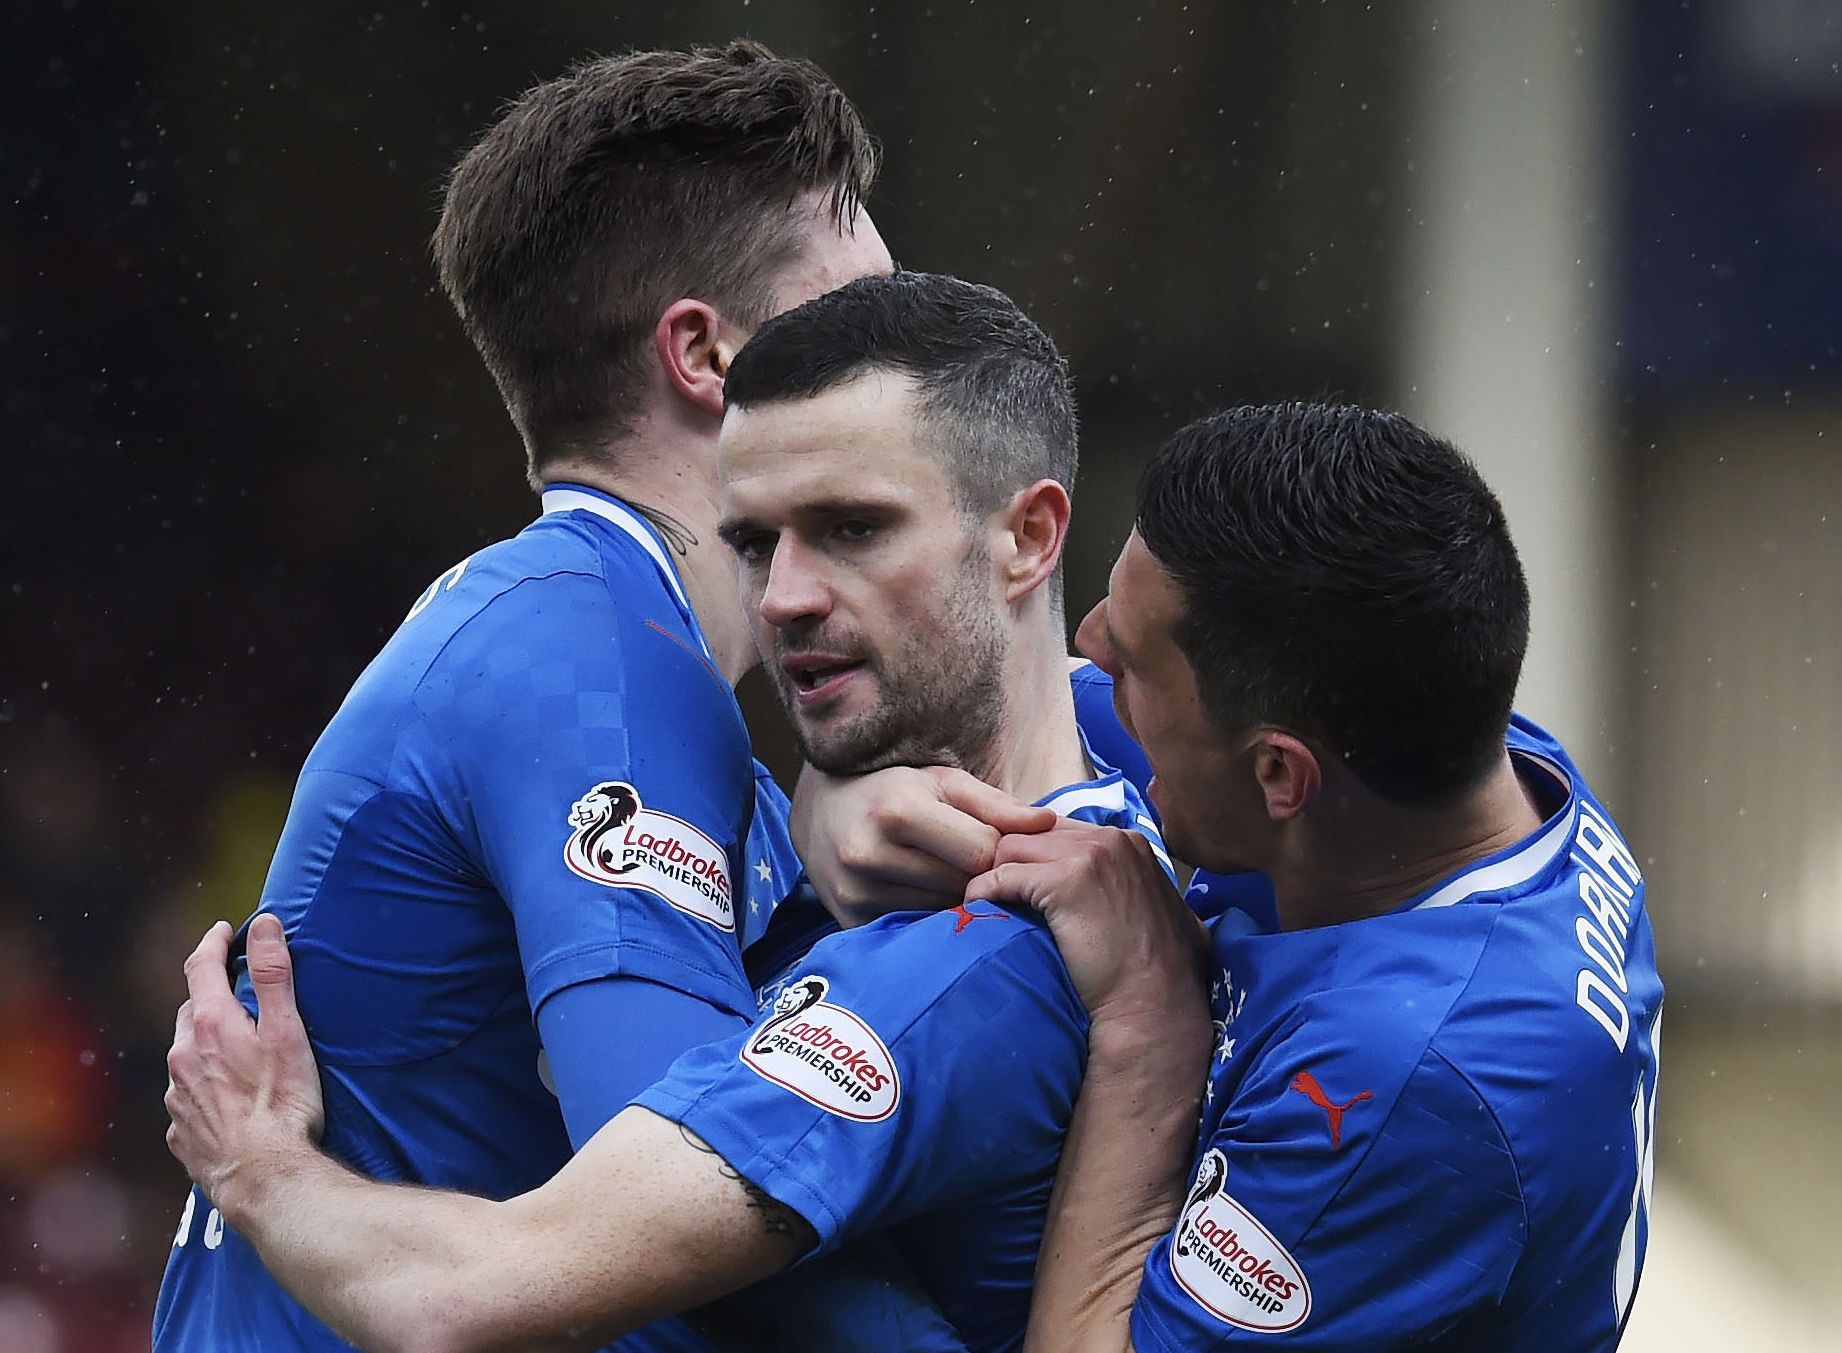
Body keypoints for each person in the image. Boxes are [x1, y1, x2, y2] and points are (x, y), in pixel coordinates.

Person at [161, 272, 1211, 1353]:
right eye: (753, 542)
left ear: (1029, 538)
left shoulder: (949, 982)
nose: (782, 599)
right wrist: (815, 812)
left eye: (853, 527)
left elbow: (463, 1301)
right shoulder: (1176, 798)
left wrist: (259, 1166)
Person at [149, 41, 933, 1352]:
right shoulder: (596, 674)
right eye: (868, 317)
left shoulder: (569, 638)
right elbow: (699, 1199)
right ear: (706, 353)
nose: (918, 370)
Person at [899, 403, 1661, 1351]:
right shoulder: (1462, 758)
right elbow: (1026, 705)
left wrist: (1148, 1020)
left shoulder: (1403, 1078)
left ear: (1278, 775)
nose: (1086, 640)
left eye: (1131, 664)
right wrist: (842, 799)